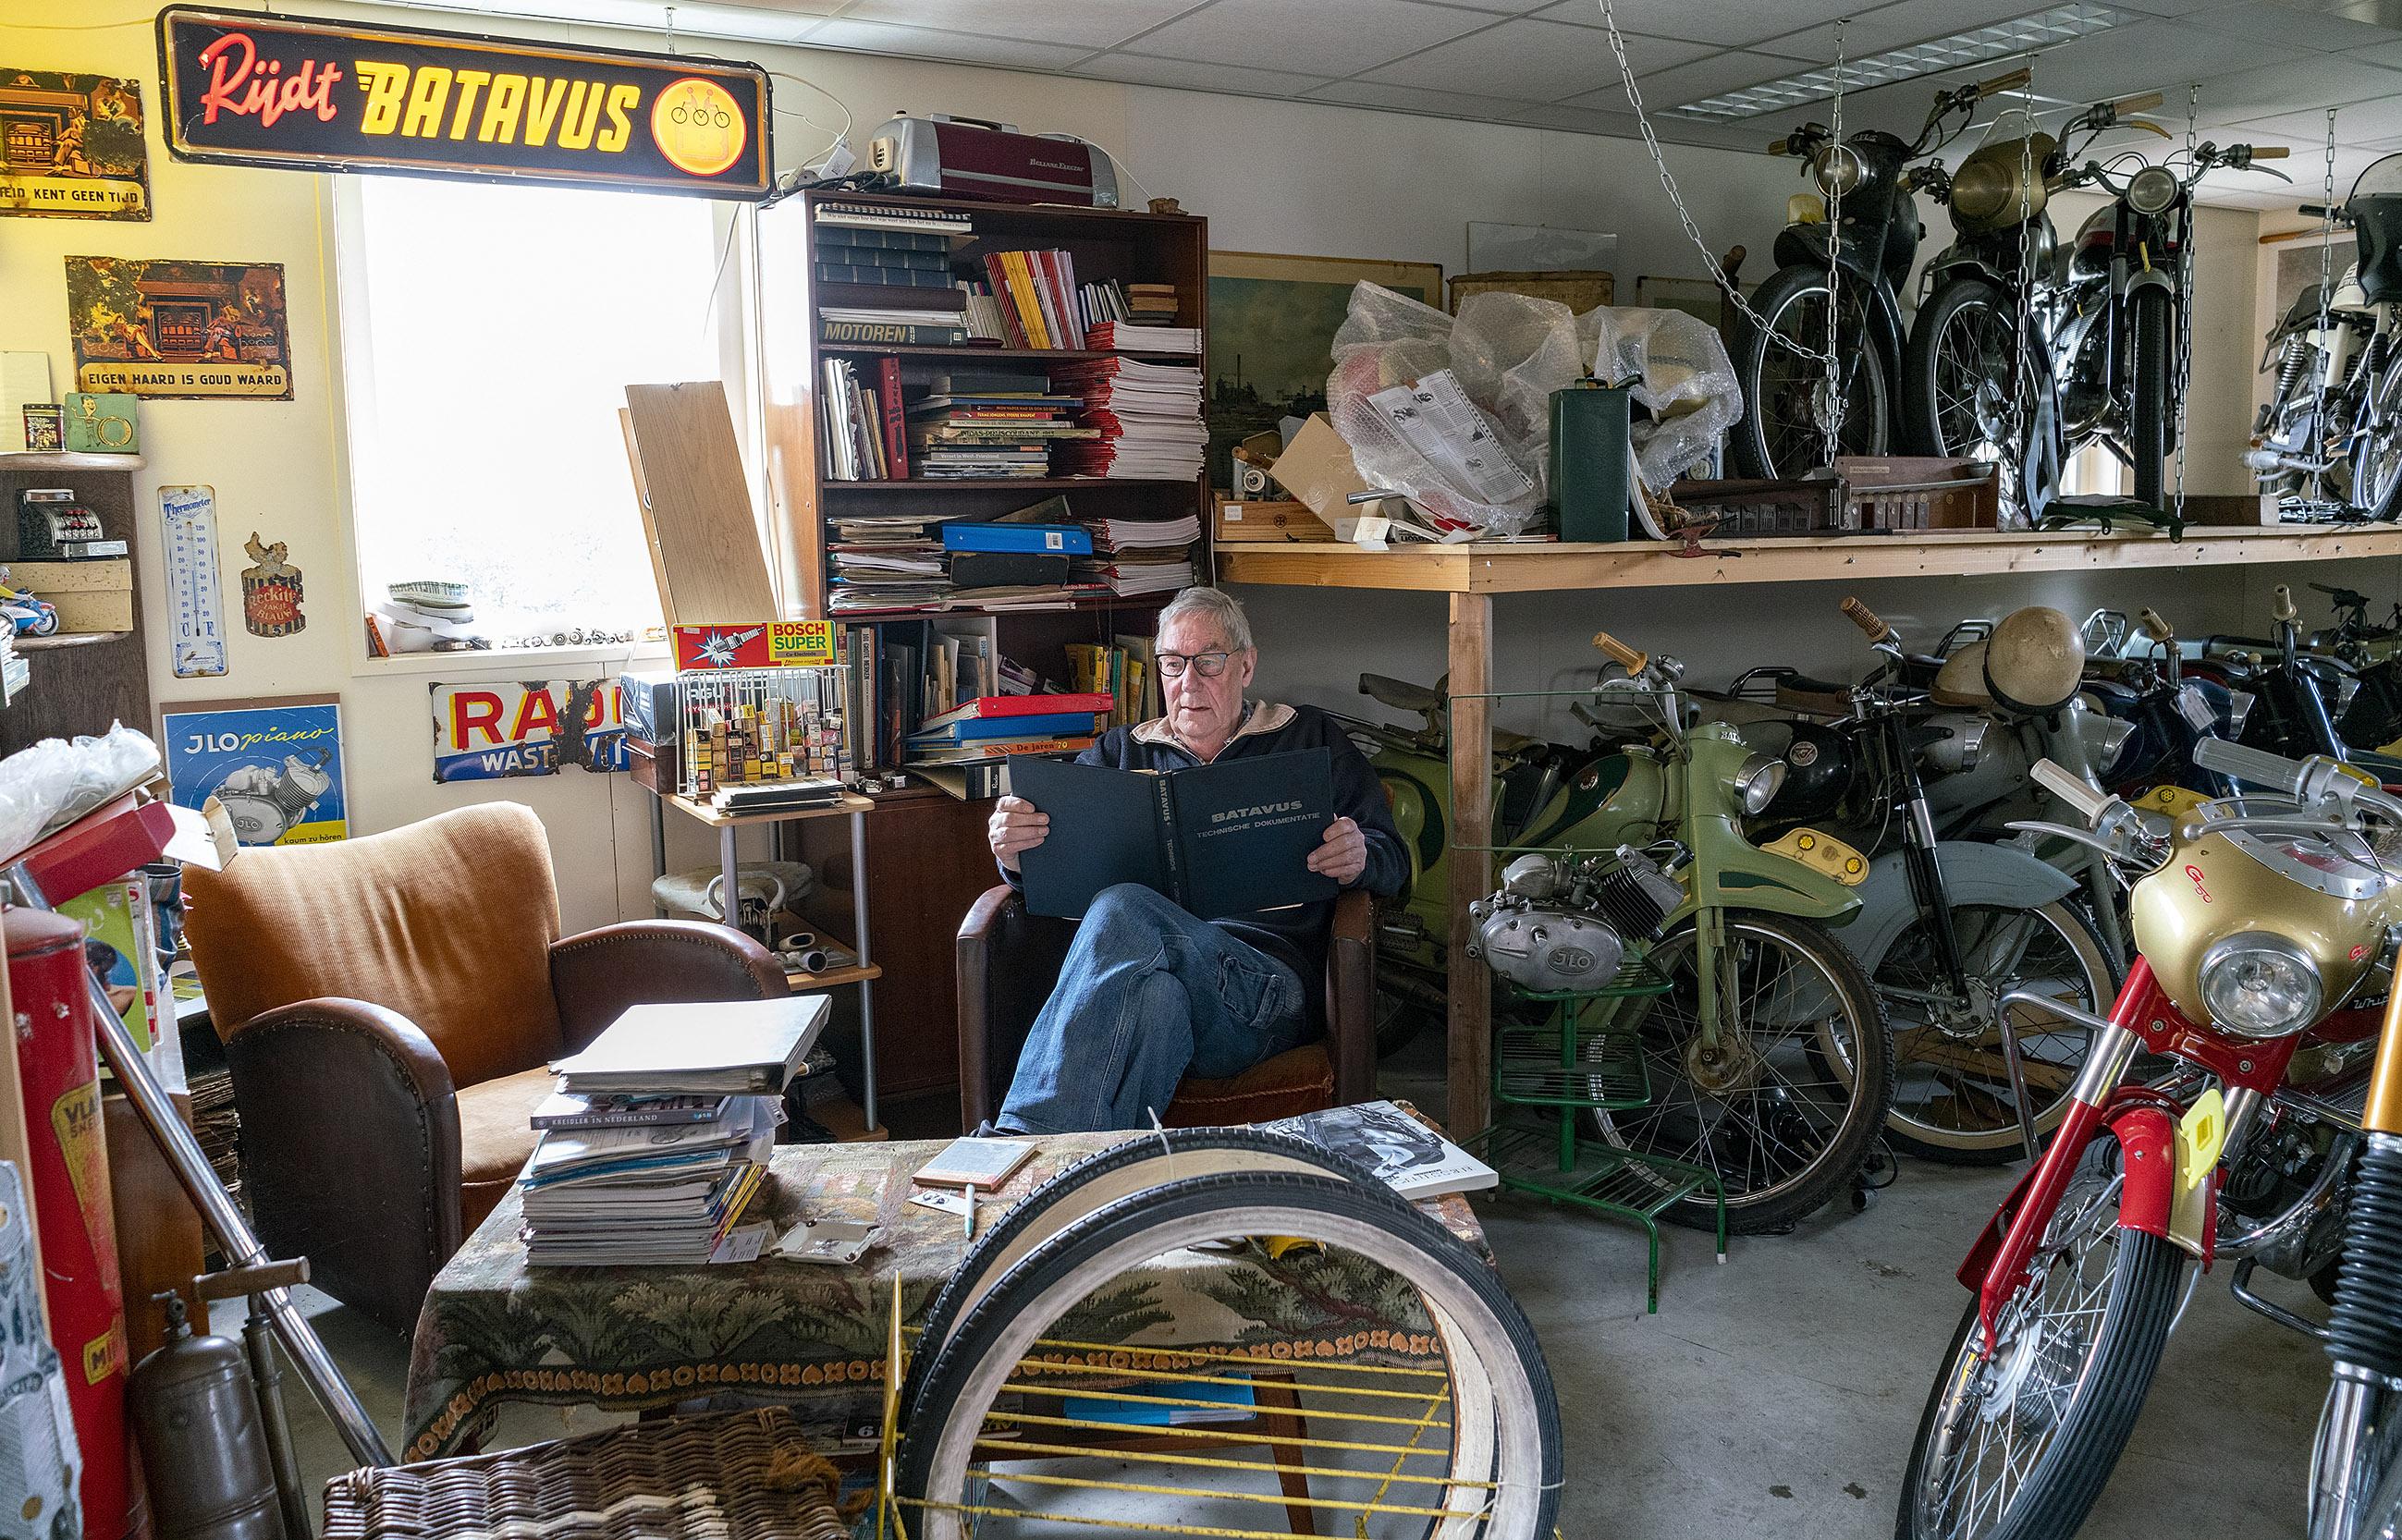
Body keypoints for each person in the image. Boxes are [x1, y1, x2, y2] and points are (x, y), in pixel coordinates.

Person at [986, 586, 1406, 1133]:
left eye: (1208, 662)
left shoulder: (1308, 739)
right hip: (1167, 990)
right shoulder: (1120, 753)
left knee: (1123, 908)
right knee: (1159, 1003)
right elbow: (1051, 863)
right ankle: (1091, 1180)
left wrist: (1359, 855)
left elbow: (1393, 860)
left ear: (1246, 665)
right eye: (1171, 664)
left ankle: (1020, 1138)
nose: (1188, 683)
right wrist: (1014, 854)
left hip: (1262, 993)